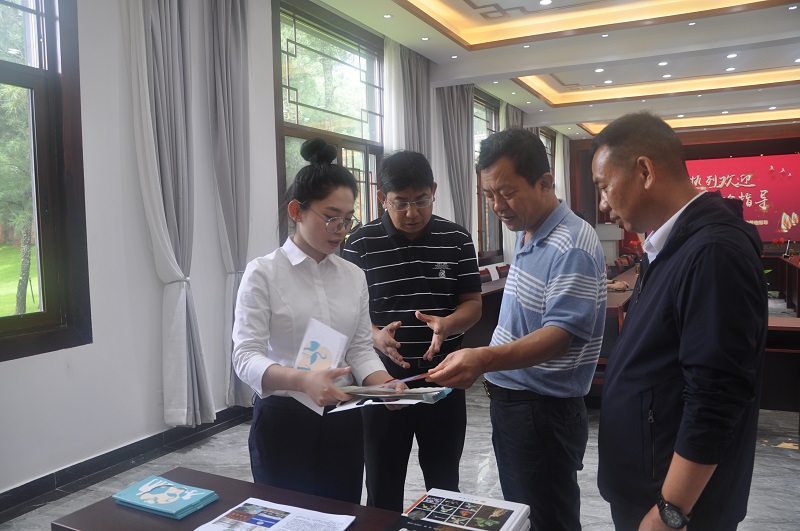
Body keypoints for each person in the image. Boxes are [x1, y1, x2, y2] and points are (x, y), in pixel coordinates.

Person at [590, 112, 767, 530]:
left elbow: (715, 395)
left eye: (604, 186)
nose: (602, 204)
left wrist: (671, 510)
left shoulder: (714, 252)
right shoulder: (671, 246)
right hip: (647, 486)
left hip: (676, 507)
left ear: (644, 171)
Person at [427, 128, 607, 531]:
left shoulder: (571, 244)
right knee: (526, 513)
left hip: (542, 412)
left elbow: (559, 337)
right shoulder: (531, 231)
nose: (496, 206)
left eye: (507, 193)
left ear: (545, 182)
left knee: (547, 520)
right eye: (488, 195)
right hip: (517, 406)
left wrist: (483, 358)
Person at [231, 137, 403, 504]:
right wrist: (304, 380)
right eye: (331, 217)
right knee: (287, 517)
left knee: (341, 515)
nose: (341, 229)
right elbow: (245, 357)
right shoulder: (263, 273)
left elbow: (360, 349)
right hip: (284, 419)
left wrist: (385, 384)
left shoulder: (353, 276)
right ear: (297, 211)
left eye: (348, 219)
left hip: (343, 417)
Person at [343, 150, 482, 512]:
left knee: (445, 484)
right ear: (381, 197)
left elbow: (472, 304)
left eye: (421, 200)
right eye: (400, 202)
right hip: (382, 383)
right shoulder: (359, 244)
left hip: (444, 379)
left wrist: (447, 324)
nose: (412, 212)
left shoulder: (456, 238)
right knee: (382, 484)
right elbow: (348, 313)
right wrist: (375, 335)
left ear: (433, 190)